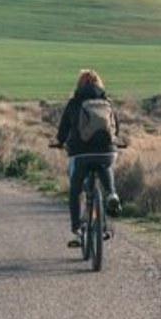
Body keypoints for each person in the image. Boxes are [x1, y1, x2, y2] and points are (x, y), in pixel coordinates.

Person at [56, 68, 122, 247]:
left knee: (75, 191)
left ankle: (77, 229)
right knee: (105, 165)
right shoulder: (106, 101)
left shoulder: (74, 102)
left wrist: (60, 141)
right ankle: (111, 193)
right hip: (106, 151)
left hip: (81, 153)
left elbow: (63, 130)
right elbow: (116, 126)